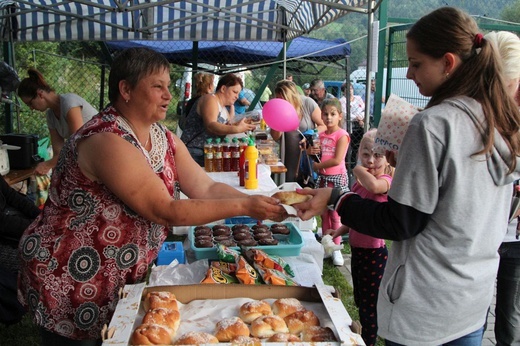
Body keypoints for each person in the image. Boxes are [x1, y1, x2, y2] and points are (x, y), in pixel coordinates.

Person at [17, 47, 288, 346]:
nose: (168, 95)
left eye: (168, 85)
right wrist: (246, 205)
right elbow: (164, 210)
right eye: (157, 86)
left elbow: (206, 188)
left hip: (112, 275)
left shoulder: (163, 137)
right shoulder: (105, 139)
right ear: (126, 89)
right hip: (69, 274)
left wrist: (267, 200)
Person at [294, 7, 520, 345]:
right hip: (472, 300)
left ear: (447, 63)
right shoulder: (499, 121)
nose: (410, 74)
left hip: (426, 304)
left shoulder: (432, 124)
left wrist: (338, 197)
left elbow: (400, 222)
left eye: (416, 64)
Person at [334, 129, 392, 346]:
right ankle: (365, 333)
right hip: (357, 251)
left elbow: (374, 186)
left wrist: (358, 168)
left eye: (378, 155)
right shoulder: (359, 184)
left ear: (388, 158)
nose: (371, 160)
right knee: (360, 299)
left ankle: (368, 339)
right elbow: (354, 215)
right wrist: (338, 231)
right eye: (366, 154)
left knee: (370, 306)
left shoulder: (385, 180)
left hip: (375, 254)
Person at [484, 30, 520, 346]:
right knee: (477, 313)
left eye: (504, 86)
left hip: (515, 236)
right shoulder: (475, 110)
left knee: (508, 315)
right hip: (483, 235)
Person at [17, 68, 98, 176]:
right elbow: (58, 153)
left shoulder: (69, 102)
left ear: (40, 94)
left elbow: (77, 144)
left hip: (101, 152)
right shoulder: (50, 115)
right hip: (89, 156)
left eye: (30, 103)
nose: (31, 108)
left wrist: (47, 165)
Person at [306, 98, 349, 266]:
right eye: (325, 114)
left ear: (340, 116)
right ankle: (326, 246)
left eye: (333, 114)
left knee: (335, 214)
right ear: (321, 116)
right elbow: (314, 154)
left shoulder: (342, 135)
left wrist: (317, 166)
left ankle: (336, 248)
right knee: (323, 213)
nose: (329, 117)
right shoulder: (321, 135)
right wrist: (310, 152)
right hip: (323, 179)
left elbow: (337, 160)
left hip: (336, 179)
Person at [181, 73, 256, 166]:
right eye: (235, 92)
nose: (237, 96)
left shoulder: (223, 107)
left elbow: (226, 127)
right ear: (223, 88)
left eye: (238, 94)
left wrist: (243, 124)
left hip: (207, 153)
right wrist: (237, 129)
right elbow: (211, 125)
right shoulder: (210, 99)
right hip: (194, 152)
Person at [0, 175, 40, 326]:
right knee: (40, 255)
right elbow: (2, 223)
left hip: (12, 231)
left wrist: (42, 217)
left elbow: (12, 196)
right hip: (4, 240)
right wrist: (36, 227)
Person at [270, 79, 326, 183]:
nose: (282, 102)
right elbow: (276, 137)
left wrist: (311, 133)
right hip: (289, 155)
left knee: (306, 184)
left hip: (307, 154)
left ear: (292, 96)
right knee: (288, 182)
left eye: (284, 99)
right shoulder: (278, 108)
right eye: (278, 99)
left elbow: (324, 125)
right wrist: (278, 119)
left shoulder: (307, 103)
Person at [339, 83, 365, 168]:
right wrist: (356, 118)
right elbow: (345, 113)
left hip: (359, 125)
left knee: (356, 147)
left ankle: (353, 165)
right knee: (347, 147)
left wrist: (360, 117)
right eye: (347, 89)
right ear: (343, 92)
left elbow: (363, 109)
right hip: (348, 126)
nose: (350, 90)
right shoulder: (342, 101)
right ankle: (346, 165)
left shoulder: (358, 98)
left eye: (351, 88)